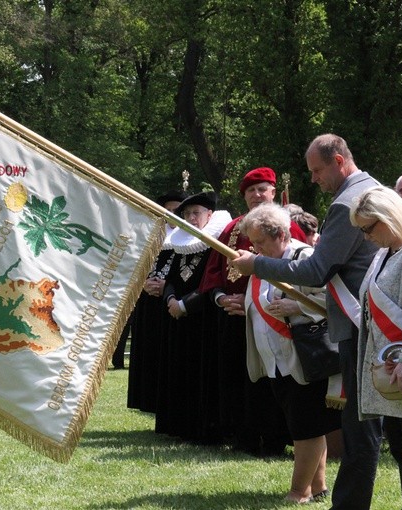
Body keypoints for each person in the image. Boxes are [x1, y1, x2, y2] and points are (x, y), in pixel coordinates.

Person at [230, 134, 382, 510]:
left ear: (339, 161)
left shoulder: (350, 201)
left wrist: (256, 265)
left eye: (317, 170)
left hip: (358, 324)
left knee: (361, 427)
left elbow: (316, 271)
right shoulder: (363, 192)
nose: (313, 178)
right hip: (360, 322)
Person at [240, 203, 341, 503]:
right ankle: (318, 486)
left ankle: (299, 492)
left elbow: (333, 299)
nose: (255, 249)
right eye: (253, 243)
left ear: (281, 235)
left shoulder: (305, 257)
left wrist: (297, 307)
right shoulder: (262, 262)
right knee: (304, 423)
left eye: (260, 242)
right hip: (275, 358)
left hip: (302, 355)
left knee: (305, 427)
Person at [199, 167, 304, 456]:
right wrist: (221, 299)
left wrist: (251, 299)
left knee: (273, 379)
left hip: (273, 318)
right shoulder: (230, 229)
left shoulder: (286, 227)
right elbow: (212, 273)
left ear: (273, 193)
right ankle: (241, 436)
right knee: (237, 378)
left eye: (262, 189)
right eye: (250, 191)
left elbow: (300, 272)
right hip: (233, 318)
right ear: (243, 197)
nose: (257, 195)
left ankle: (274, 438)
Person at [350, 186, 402, 508]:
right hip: (392, 381)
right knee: (401, 454)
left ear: (388, 218)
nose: (366, 237)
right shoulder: (384, 254)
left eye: (368, 228)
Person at [155, 191, 231, 443]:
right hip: (177, 317)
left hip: (204, 318)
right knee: (178, 370)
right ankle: (178, 425)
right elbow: (171, 281)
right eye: (186, 214)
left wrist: (186, 305)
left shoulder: (216, 244)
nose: (191, 218)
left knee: (203, 373)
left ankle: (204, 428)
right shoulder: (181, 243)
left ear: (209, 215)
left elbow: (212, 282)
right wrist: (170, 300)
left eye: (195, 213)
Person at [127, 190, 185, 412]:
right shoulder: (150, 237)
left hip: (170, 302)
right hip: (147, 302)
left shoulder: (191, 240)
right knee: (148, 352)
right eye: (168, 211)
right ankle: (147, 400)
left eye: (177, 211)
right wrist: (142, 284)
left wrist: (166, 287)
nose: (172, 215)